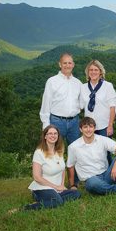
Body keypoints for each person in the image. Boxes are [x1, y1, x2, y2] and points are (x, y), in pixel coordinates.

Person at [67, 117, 116, 203]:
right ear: (80, 129)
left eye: (90, 127)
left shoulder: (101, 139)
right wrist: (71, 185)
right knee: (92, 184)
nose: (88, 130)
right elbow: (70, 166)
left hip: (108, 175)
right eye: (85, 127)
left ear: (95, 128)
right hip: (91, 179)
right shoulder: (73, 147)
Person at [8, 126, 81, 213]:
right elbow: (37, 178)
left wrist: (62, 186)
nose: (53, 136)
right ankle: (22, 209)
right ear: (45, 136)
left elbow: (62, 169)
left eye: (55, 133)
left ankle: (46, 202)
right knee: (58, 202)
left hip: (56, 189)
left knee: (76, 193)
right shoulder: (39, 153)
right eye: (50, 133)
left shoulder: (59, 151)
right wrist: (56, 187)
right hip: (42, 188)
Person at [39, 53, 82, 184]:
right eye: (65, 63)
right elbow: (46, 103)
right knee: (54, 152)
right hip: (57, 121)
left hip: (74, 121)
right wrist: (46, 125)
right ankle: (52, 181)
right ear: (60, 64)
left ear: (73, 65)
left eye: (70, 63)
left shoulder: (78, 83)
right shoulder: (52, 81)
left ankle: (74, 182)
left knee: (75, 152)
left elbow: (81, 103)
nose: (67, 65)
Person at [80, 60, 116, 164]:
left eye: (96, 70)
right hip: (89, 126)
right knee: (91, 151)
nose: (93, 72)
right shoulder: (83, 87)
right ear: (88, 72)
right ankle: (95, 174)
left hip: (104, 125)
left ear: (100, 71)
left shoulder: (108, 86)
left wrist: (110, 126)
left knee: (106, 151)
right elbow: (81, 105)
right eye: (91, 70)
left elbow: (113, 107)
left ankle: (110, 175)